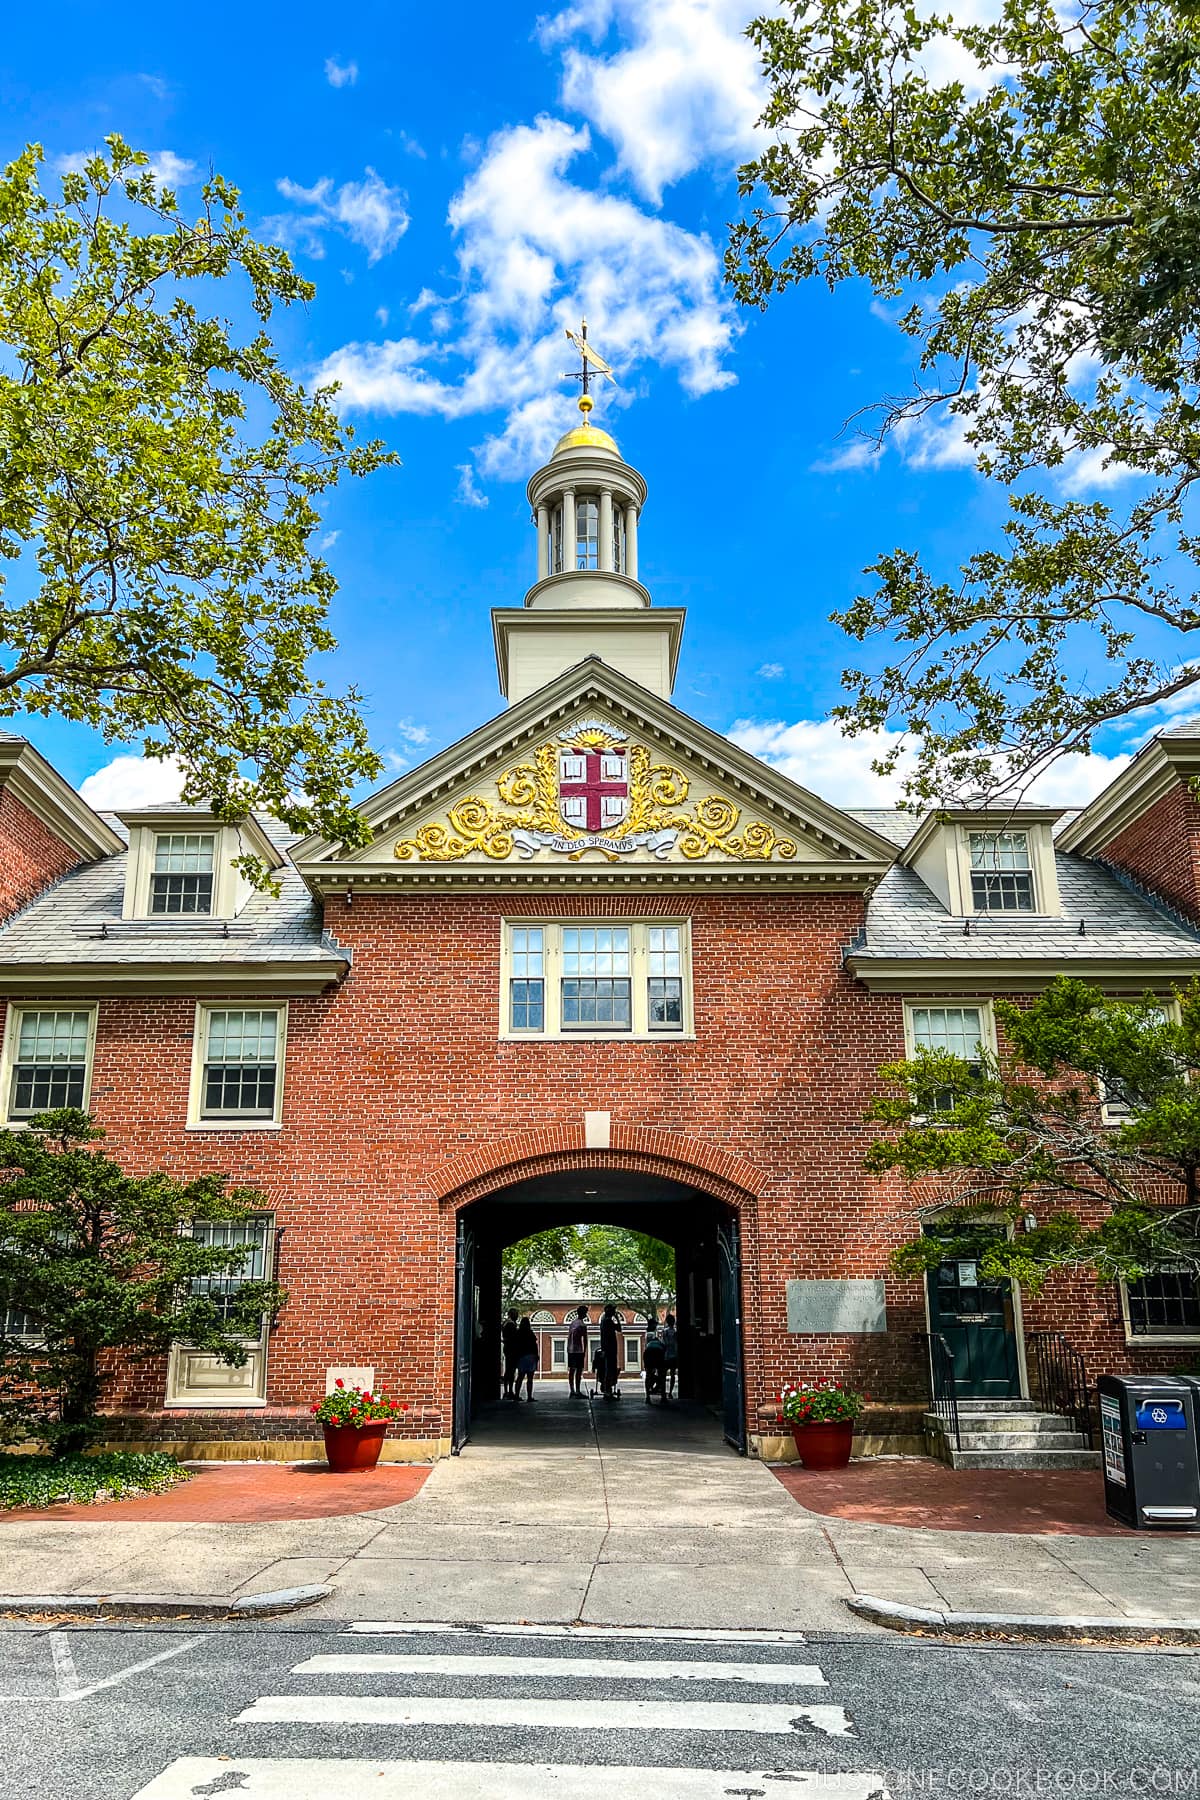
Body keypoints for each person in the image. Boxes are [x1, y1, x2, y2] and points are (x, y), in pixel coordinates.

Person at [566, 1305, 589, 1397]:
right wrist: (585, 1351)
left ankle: (572, 1390)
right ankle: (578, 1390)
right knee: (578, 1371)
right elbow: (585, 1339)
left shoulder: (573, 1323)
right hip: (578, 1350)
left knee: (572, 1370)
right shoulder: (582, 1325)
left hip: (570, 1349)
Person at [514, 1315, 539, 1402]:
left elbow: (516, 1346)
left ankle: (516, 1395)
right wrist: (536, 1356)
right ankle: (529, 1396)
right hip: (531, 1356)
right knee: (530, 1378)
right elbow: (534, 1345)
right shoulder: (530, 1333)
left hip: (521, 1357)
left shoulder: (518, 1333)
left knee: (520, 1377)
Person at [642, 1315, 666, 1403]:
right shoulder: (651, 1334)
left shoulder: (648, 1333)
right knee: (660, 1374)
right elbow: (662, 1346)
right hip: (656, 1352)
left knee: (649, 1375)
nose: (656, 1327)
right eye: (655, 1325)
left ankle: (648, 1396)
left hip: (649, 1353)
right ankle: (662, 1395)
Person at [599, 1303, 620, 1400]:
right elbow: (619, 1329)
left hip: (607, 1349)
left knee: (609, 1369)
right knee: (610, 1370)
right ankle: (608, 1392)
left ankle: (607, 1390)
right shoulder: (608, 1321)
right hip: (610, 1349)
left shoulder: (604, 1321)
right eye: (613, 1311)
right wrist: (617, 1319)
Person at [501, 1307, 520, 1400]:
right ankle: (509, 1391)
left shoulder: (505, 1323)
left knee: (509, 1370)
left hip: (508, 1348)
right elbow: (514, 1338)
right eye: (516, 1314)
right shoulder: (511, 1324)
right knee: (510, 1370)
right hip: (511, 1349)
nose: (517, 1316)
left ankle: (507, 1391)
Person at [662, 1311, 678, 1398]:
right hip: (674, 1355)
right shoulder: (676, 1331)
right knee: (672, 1374)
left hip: (666, 1355)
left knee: (663, 1374)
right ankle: (670, 1392)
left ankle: (664, 1392)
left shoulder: (665, 1331)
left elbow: (664, 1343)